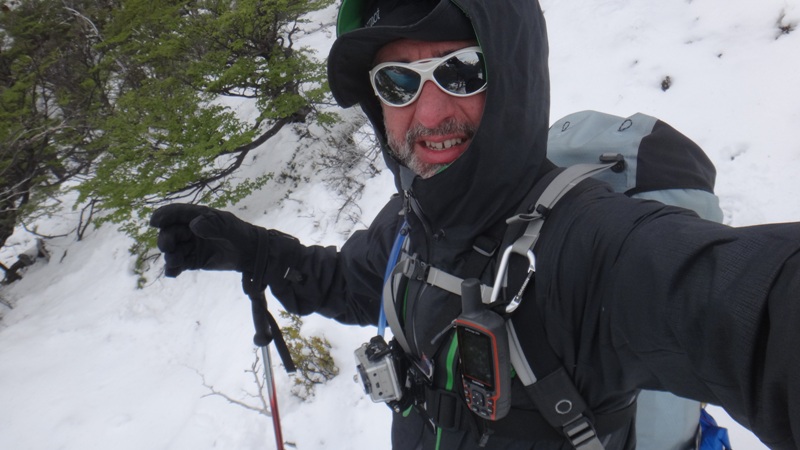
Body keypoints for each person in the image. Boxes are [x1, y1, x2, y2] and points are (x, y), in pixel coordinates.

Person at [149, 0, 800, 449]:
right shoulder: (412, 223)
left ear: (511, 75)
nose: (429, 111)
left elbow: (749, 311)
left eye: (460, 71)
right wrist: (255, 251)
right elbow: (351, 283)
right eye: (398, 81)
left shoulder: (591, 247)